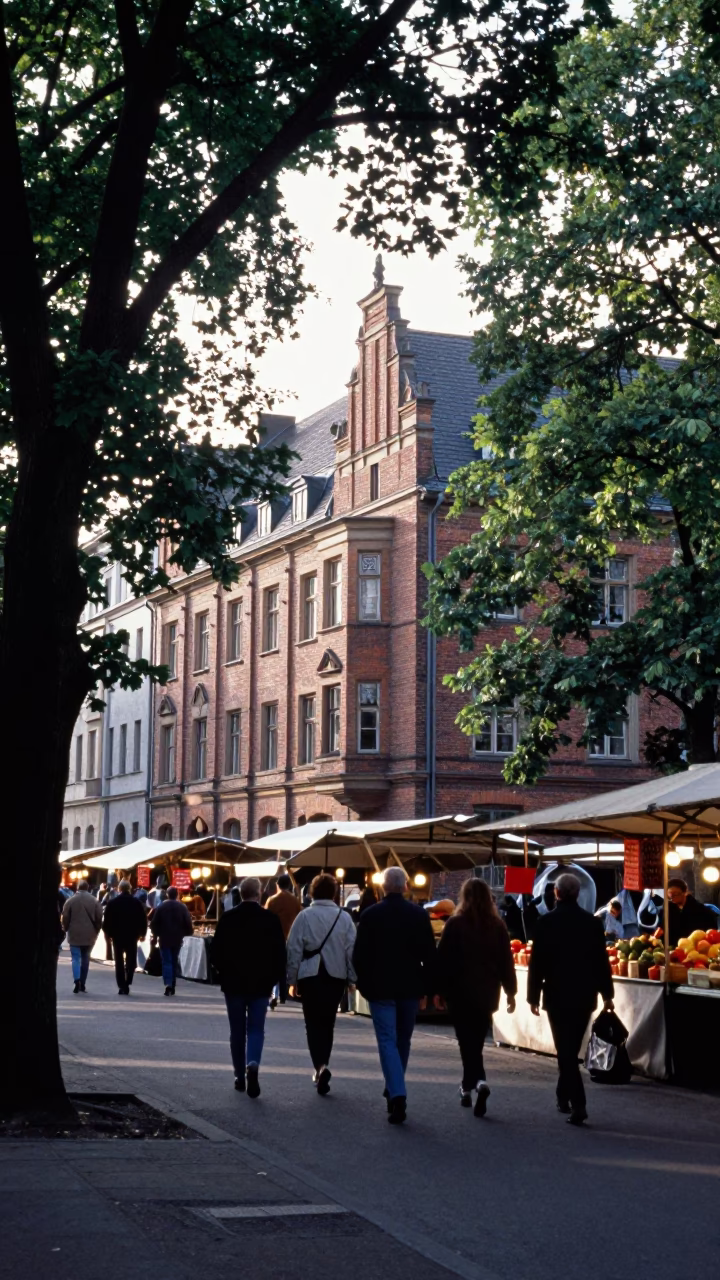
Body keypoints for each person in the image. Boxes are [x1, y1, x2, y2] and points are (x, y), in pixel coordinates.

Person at [527, 872, 614, 1126]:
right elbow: (601, 962)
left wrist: (532, 995)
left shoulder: (546, 923)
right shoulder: (592, 923)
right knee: (570, 1048)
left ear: (556, 893)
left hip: (556, 994)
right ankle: (563, 1096)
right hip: (584, 995)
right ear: (577, 894)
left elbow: (537, 964)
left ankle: (578, 1103)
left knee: (565, 1050)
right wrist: (607, 994)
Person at [352, 865, 436, 1125]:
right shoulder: (419, 915)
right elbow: (429, 956)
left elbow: (359, 956)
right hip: (410, 988)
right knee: (404, 1040)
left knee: (387, 1040)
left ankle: (396, 1091)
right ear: (406, 886)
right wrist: (428, 989)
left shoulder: (370, 915)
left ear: (383, 887)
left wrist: (363, 984)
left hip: (380, 988)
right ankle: (395, 1087)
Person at [435, 879, 517, 1117]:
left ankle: (477, 1082)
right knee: (477, 1041)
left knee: (465, 1041)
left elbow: (443, 960)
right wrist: (511, 991)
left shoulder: (455, 924)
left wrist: (438, 991)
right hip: (487, 992)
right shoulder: (498, 926)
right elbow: (506, 963)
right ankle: (468, 1085)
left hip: (459, 992)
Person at [210, 877, 286, 1096]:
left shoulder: (228, 918)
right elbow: (279, 953)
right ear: (259, 893)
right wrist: (274, 979)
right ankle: (252, 1062)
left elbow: (215, 952)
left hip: (233, 983)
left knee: (236, 1031)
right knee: (256, 1029)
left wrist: (223, 971)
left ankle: (238, 1075)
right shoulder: (270, 919)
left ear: (240, 894)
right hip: (261, 984)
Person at [286, 873, 357, 1097]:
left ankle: (319, 1066)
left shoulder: (304, 916)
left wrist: (292, 978)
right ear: (334, 893)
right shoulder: (344, 918)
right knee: (328, 1022)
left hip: (310, 975)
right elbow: (351, 950)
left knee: (312, 1024)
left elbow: (294, 948)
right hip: (336, 975)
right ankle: (323, 1062)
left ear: (312, 892)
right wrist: (352, 978)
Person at [102, 879, 148, 995]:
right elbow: (143, 919)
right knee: (131, 959)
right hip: (132, 935)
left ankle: (121, 984)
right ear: (130, 888)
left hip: (117, 935)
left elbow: (106, 921)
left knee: (119, 960)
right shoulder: (136, 903)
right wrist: (143, 933)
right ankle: (128, 980)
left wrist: (108, 934)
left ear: (119, 889)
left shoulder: (113, 903)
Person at [265, 874, 301, 1005]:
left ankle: (274, 993)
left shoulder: (272, 900)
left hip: (274, 938)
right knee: (285, 967)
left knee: (273, 967)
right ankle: (283, 995)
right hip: (291, 937)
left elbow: (266, 919)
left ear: (277, 885)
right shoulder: (295, 901)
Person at [61, 879, 103, 993]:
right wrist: (97, 929)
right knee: (85, 958)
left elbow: (65, 917)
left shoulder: (70, 901)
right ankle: (83, 983)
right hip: (90, 934)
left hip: (74, 933)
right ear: (88, 888)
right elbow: (99, 917)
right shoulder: (94, 901)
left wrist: (65, 928)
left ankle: (77, 980)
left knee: (75, 958)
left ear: (77, 888)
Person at [151, 886, 193, 995]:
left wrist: (155, 937)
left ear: (167, 895)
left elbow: (154, 923)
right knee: (174, 960)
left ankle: (168, 984)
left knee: (167, 961)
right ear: (177, 895)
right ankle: (172, 983)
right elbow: (188, 923)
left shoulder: (161, 907)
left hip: (164, 938)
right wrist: (187, 933)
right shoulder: (182, 907)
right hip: (177, 938)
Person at [667, 877, 717, 945]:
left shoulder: (700, 910)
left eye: (675, 894)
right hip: (672, 948)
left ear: (685, 892)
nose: (672, 898)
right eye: (670, 895)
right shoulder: (668, 908)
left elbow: (711, 929)